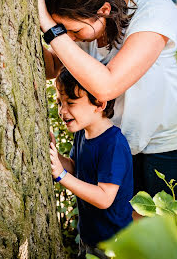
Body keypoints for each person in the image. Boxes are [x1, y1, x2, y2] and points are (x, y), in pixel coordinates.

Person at [39, 0, 177, 213]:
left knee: (162, 240)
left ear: (104, 9)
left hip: (169, 146)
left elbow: (108, 86)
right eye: (65, 31)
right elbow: (52, 67)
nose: (69, 39)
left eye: (73, 31)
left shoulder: (154, 11)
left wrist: (52, 31)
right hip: (117, 144)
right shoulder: (86, 19)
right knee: (121, 236)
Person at [50, 67, 133, 259]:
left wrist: (61, 176)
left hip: (113, 244)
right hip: (90, 235)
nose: (62, 111)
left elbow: (104, 199)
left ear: (99, 103)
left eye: (70, 103)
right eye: (59, 103)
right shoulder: (83, 132)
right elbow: (77, 169)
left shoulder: (113, 144)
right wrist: (55, 156)